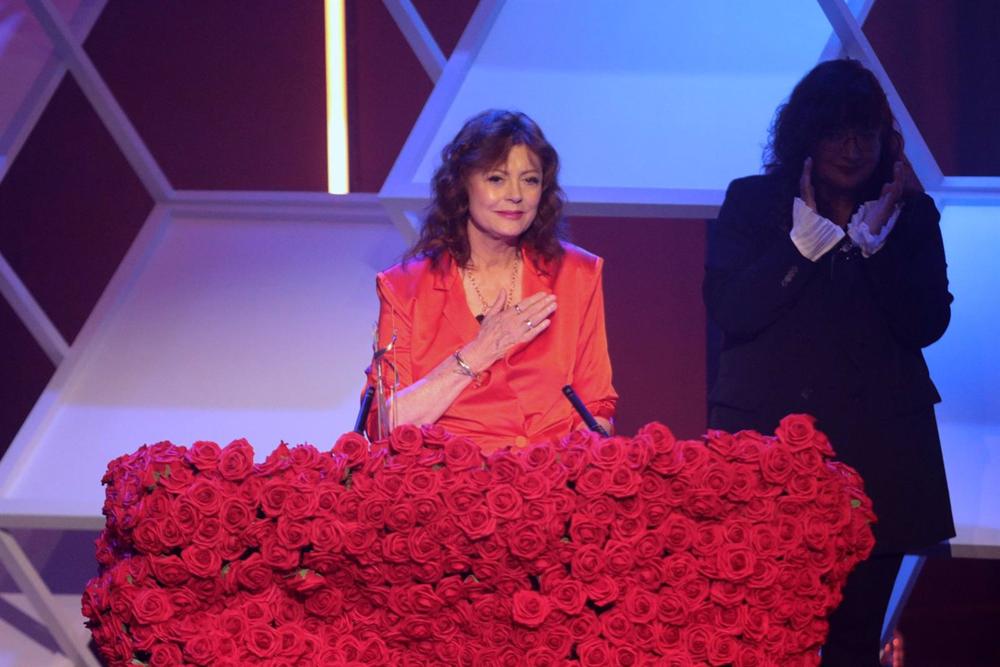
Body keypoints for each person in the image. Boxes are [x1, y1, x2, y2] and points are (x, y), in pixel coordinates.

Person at [703, 59, 954, 666]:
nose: (852, 148)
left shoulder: (910, 214)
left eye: (865, 133)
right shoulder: (753, 202)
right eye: (837, 132)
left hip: (881, 461)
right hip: (770, 454)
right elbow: (732, 309)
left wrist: (875, 248)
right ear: (806, 136)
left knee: (853, 642)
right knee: (763, 638)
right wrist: (801, 246)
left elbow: (926, 324)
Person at [366, 110, 617, 452]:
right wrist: (480, 351)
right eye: (497, 179)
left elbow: (597, 407)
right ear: (461, 185)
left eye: (530, 180)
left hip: (552, 472)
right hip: (450, 473)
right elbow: (386, 426)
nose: (516, 194)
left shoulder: (576, 273)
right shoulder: (404, 286)